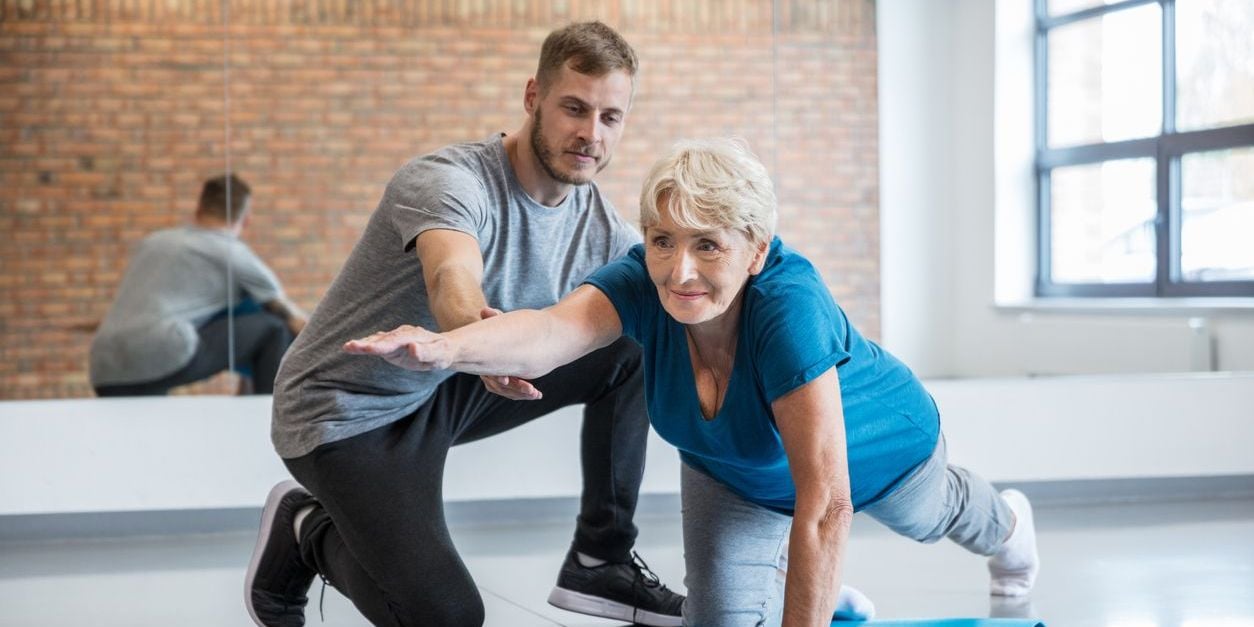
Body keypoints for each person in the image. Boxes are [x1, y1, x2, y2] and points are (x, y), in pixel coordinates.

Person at [346, 138, 1042, 626]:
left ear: (756, 249)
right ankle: (826, 598)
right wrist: (445, 346)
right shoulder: (641, 280)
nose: (680, 271)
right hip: (733, 471)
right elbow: (547, 334)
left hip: (879, 453)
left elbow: (827, 504)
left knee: (936, 516)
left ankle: (1008, 523)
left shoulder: (788, 309)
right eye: (663, 240)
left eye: (708, 244)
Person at [244, 22, 686, 627]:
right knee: (447, 618)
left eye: (611, 117)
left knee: (635, 340)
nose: (590, 134)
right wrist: (461, 343)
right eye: (574, 109)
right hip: (343, 411)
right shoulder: (449, 180)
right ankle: (306, 529)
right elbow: (453, 275)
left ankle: (599, 558)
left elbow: (675, 301)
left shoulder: (602, 229)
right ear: (533, 98)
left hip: (442, 389)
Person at [90, 174, 307, 397]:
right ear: (246, 220)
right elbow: (292, 318)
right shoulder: (232, 252)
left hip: (104, 366)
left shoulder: (153, 242)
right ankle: (267, 419)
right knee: (273, 328)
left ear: (199, 209)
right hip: (159, 356)